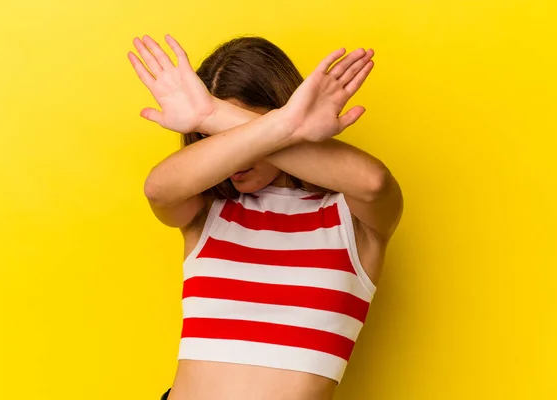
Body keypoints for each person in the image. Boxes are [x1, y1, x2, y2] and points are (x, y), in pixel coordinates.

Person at [127, 34, 403, 400]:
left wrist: (218, 116)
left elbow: (373, 182)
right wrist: (266, 127)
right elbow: (157, 189)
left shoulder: (348, 219)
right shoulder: (208, 212)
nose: (237, 156)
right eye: (214, 136)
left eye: (245, 129)